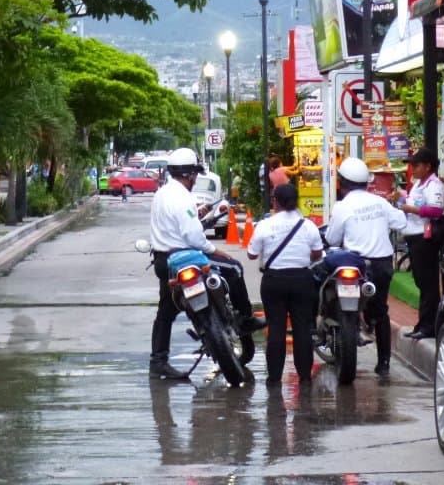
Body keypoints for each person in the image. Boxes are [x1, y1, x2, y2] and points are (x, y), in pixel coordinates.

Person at [148, 147, 263, 380]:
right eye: (195, 176)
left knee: (166, 312)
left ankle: (158, 361)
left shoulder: (162, 194)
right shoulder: (183, 197)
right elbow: (192, 236)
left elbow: (174, 225)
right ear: (190, 175)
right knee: (235, 268)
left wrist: (196, 214)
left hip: (164, 261)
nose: (195, 180)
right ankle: (245, 318)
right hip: (187, 256)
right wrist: (214, 249)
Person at [326, 156, 406, 376]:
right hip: (381, 265)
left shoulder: (343, 206)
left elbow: (332, 239)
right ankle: (384, 364)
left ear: (342, 183)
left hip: (356, 263)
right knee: (380, 311)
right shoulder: (380, 202)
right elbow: (401, 222)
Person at [247, 182, 323, 385]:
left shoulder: (264, 225)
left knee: (276, 329)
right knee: (302, 329)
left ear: (276, 202)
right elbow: (317, 253)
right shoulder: (308, 226)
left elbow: (252, 254)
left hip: (274, 282)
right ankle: (305, 377)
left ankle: (274, 378)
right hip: (302, 281)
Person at [394, 148, 444, 341]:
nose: (412, 168)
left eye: (416, 165)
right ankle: (424, 323)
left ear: (428, 166)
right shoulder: (418, 184)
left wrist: (410, 208)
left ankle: (429, 325)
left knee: (428, 284)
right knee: (421, 282)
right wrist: (401, 199)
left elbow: (436, 211)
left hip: (424, 239)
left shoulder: (434, 185)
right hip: (413, 237)